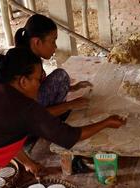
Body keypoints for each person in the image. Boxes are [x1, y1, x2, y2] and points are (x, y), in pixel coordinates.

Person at [0, 48, 126, 188]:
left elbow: (6, 134)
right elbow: (69, 136)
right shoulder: (25, 108)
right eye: (38, 79)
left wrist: (27, 163)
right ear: (23, 81)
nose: (40, 85)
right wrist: (106, 122)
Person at [14, 14, 92, 175]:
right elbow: (32, 114)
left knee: (61, 78)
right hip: (23, 123)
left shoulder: (30, 57)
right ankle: (49, 130)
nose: (55, 47)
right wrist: (69, 104)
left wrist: (72, 88)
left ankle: (52, 125)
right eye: (52, 41)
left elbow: (41, 87)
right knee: (61, 76)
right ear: (37, 42)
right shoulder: (25, 65)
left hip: (27, 114)